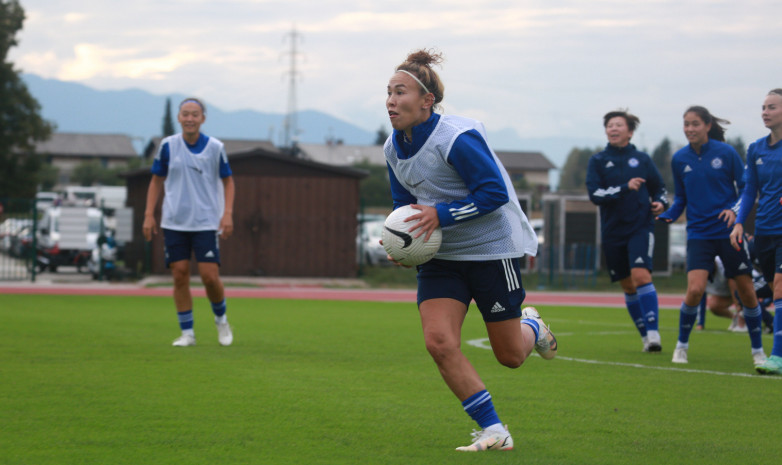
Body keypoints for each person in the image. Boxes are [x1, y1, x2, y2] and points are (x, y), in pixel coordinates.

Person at [383, 49, 556, 452]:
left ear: (427, 100)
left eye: (400, 92)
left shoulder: (456, 137)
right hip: (442, 258)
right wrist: (401, 243)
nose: (391, 101)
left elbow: (494, 192)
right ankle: (494, 429)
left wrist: (440, 215)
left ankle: (534, 327)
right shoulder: (393, 148)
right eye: (388, 93)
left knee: (511, 357)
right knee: (439, 342)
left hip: (492, 251)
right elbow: (403, 208)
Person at [658, 106, 766, 367]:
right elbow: (681, 198)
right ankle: (681, 347)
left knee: (747, 293)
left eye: (695, 124)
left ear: (707, 126)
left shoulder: (726, 153)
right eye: (686, 124)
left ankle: (758, 351)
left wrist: (734, 211)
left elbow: (746, 190)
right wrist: (667, 214)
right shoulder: (679, 158)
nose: (690, 129)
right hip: (698, 234)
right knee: (694, 290)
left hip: (729, 234)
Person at [143, 97, 235, 347]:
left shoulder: (216, 147)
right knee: (180, 275)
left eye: (195, 114)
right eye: (185, 114)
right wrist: (149, 214)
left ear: (203, 118)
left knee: (209, 276)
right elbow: (156, 180)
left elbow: (228, 181)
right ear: (179, 118)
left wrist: (227, 213)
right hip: (174, 221)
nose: (190, 119)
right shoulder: (168, 145)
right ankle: (187, 333)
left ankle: (221, 319)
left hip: (205, 222)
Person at [586, 110, 668, 352]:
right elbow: (595, 195)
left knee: (641, 276)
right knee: (628, 286)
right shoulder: (598, 161)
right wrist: (625, 187)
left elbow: (660, 187)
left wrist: (662, 203)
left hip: (640, 226)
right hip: (612, 232)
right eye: (610, 125)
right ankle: (645, 337)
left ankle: (654, 334)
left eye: (618, 125)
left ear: (630, 131)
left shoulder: (642, 159)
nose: (613, 129)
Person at [730, 88, 782, 375]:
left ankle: (776, 357)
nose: (765, 111)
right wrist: (739, 221)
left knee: (778, 287)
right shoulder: (756, 149)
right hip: (764, 231)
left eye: (772, 107)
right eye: (763, 107)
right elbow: (750, 191)